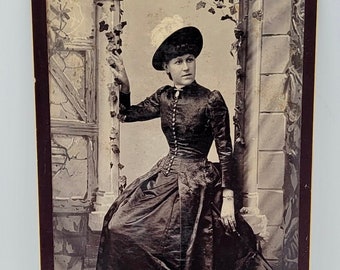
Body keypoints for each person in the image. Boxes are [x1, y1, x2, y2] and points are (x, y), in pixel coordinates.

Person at [96, 23, 255, 270]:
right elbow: (126, 114)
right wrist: (125, 84)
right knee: (119, 226)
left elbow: (225, 151)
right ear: (166, 68)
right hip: (164, 176)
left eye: (189, 59)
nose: (186, 66)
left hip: (196, 182)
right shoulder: (164, 96)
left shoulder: (210, 99)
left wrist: (228, 199)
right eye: (178, 61)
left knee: (181, 248)